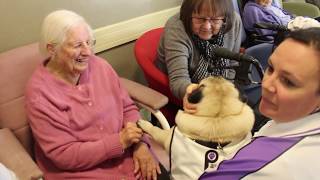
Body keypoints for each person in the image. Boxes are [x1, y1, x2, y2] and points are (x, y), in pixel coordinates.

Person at [25, 10, 161, 179]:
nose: (88, 52)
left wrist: (140, 145)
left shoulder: (100, 66)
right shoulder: (40, 95)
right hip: (81, 171)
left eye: (89, 42)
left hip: (127, 154)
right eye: (77, 45)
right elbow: (64, 155)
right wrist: (119, 142)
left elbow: (127, 108)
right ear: (52, 50)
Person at [198, 27, 320, 179]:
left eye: (288, 82)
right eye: (271, 68)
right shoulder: (292, 118)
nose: (266, 84)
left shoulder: (268, 166)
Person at [156, 0, 243, 101]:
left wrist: (227, 91)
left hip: (219, 88)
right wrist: (198, 95)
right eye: (200, 19)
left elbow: (232, 64)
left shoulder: (234, 21)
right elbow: (179, 80)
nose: (207, 27)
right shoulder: (176, 27)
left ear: (224, 18)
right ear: (188, 14)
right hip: (183, 91)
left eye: (215, 19)